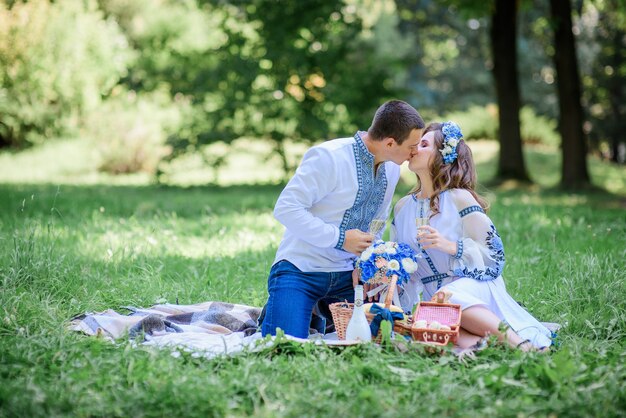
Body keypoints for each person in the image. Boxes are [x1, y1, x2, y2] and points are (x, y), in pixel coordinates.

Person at [260, 100, 425, 339]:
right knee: (284, 343)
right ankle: (291, 305)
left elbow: (376, 225)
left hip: (348, 276)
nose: (415, 151)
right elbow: (286, 208)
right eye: (412, 145)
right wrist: (340, 238)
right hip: (301, 269)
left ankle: (317, 312)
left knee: (377, 337)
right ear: (390, 143)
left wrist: (367, 264)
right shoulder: (329, 157)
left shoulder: (391, 169)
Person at [391, 121, 552, 351]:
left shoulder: (459, 198)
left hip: (472, 287)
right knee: (423, 323)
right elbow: (403, 265)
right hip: (433, 297)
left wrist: (451, 246)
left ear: (442, 155)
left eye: (423, 144)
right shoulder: (402, 207)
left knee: (446, 297)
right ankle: (484, 349)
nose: (414, 149)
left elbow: (493, 254)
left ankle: (523, 346)